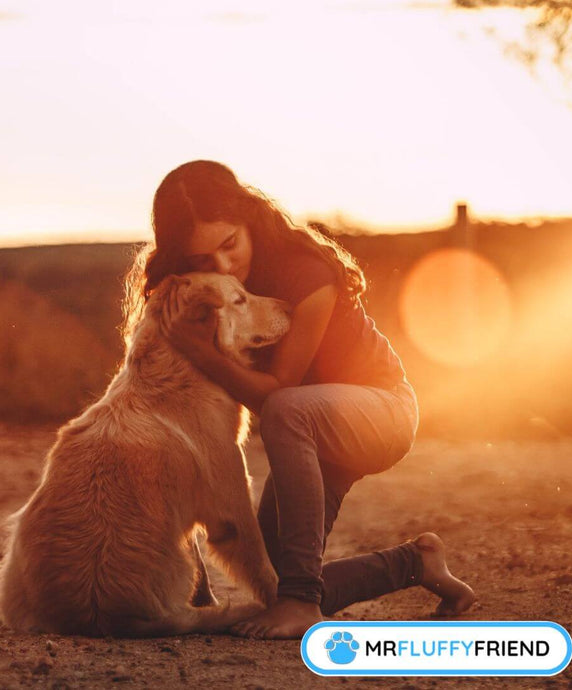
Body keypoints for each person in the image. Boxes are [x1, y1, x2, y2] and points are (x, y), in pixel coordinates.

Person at [122, 160, 476, 639]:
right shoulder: (200, 291)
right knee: (271, 578)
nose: (223, 267)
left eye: (229, 244)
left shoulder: (306, 274)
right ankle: (415, 564)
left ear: (249, 217)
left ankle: (302, 605)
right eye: (203, 259)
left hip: (381, 411)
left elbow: (277, 394)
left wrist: (199, 352)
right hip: (311, 428)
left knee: (288, 410)